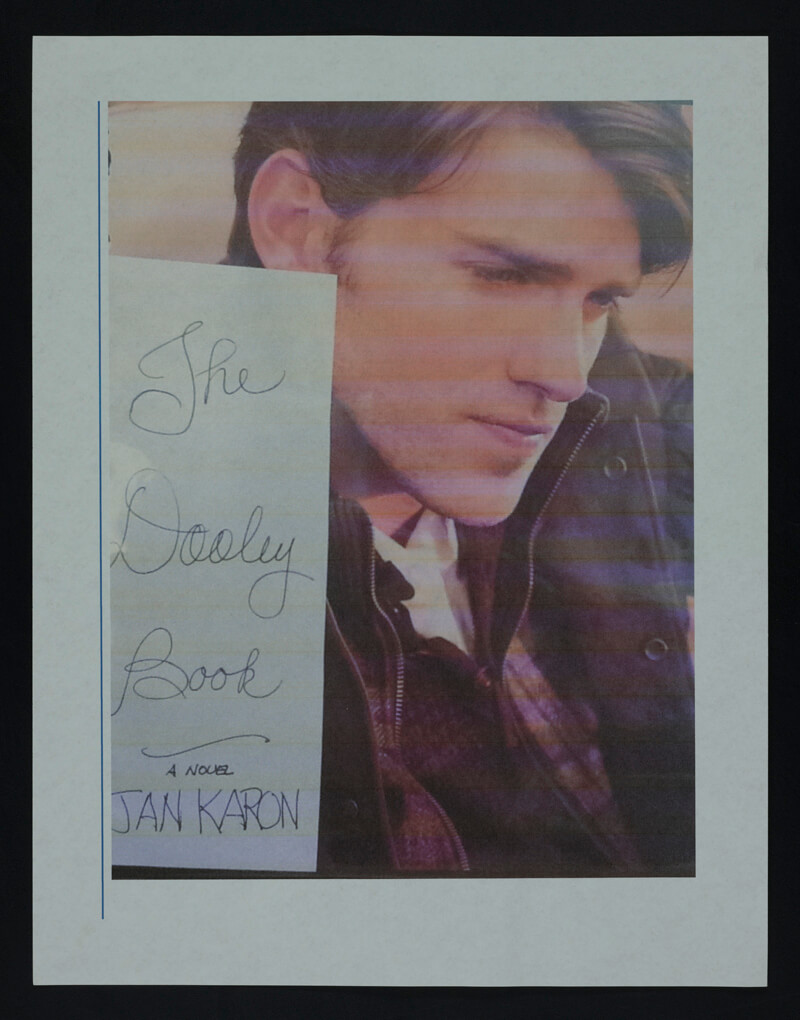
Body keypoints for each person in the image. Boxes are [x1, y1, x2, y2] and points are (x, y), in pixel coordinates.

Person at [224, 102, 694, 877]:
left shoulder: (637, 401)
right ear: (299, 229)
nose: (566, 375)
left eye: (599, 301)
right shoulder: (132, 575)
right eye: (503, 275)